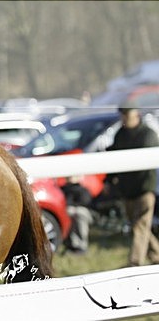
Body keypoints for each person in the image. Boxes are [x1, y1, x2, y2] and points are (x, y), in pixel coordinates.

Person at [105, 101, 159, 266]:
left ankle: (134, 263)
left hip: (144, 191)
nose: (123, 118)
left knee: (139, 227)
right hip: (127, 191)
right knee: (141, 227)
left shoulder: (147, 134)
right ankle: (157, 255)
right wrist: (109, 180)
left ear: (136, 114)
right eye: (122, 115)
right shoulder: (120, 134)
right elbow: (114, 158)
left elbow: (144, 161)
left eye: (126, 114)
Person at [60, 176, 93, 253]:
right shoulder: (62, 189)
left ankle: (80, 246)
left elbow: (85, 202)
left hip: (82, 212)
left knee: (79, 213)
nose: (70, 178)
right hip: (66, 211)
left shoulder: (83, 190)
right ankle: (70, 244)